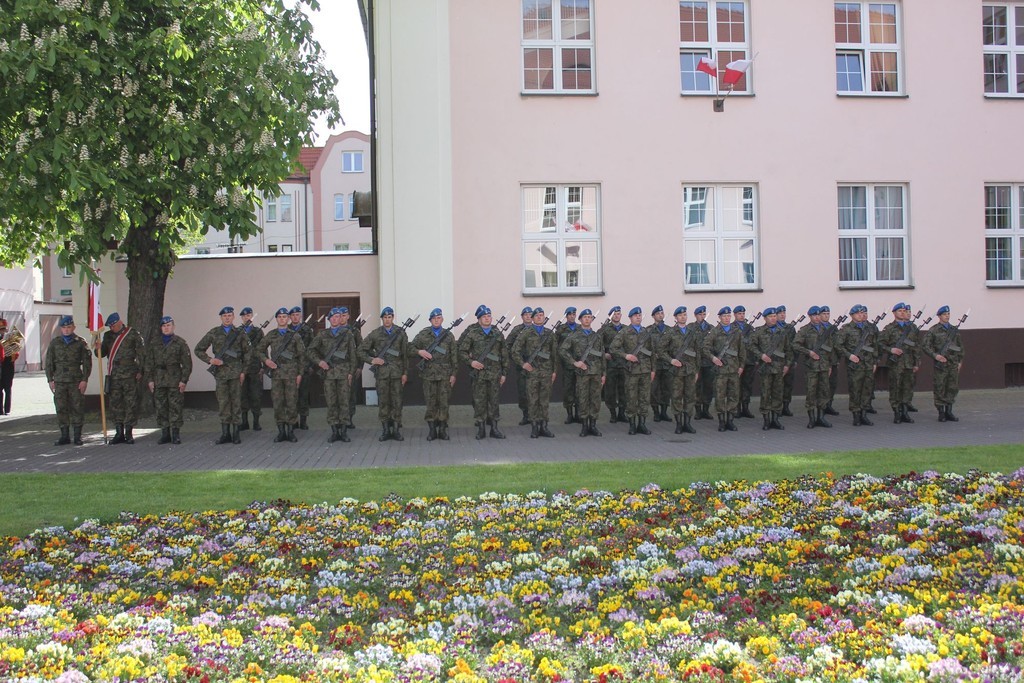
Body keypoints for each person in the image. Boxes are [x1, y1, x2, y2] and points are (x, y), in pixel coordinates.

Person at [194, 306, 252, 445]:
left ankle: (236, 433)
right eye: (224, 316)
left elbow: (248, 353)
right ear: (221, 317)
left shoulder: (240, 333)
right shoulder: (214, 332)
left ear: (233, 317)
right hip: (220, 374)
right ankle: (225, 434)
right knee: (223, 403)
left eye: (229, 315)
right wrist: (210, 360)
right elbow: (198, 349)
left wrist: (243, 371)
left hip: (236, 373)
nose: (227, 318)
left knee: (236, 402)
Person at [308, 306, 359, 443]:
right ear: (329, 319)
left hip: (343, 373)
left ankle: (343, 431)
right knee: (331, 402)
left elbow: (353, 355)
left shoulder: (347, 334)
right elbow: (310, 350)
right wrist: (319, 362)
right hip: (329, 374)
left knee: (344, 402)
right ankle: (334, 431)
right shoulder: (322, 334)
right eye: (333, 317)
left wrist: (351, 372)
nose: (336, 319)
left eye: (338, 317)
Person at [359, 306, 410, 441]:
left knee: (397, 401)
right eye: (385, 317)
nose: (387, 320)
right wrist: (372, 360)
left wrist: (405, 373)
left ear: (393, 318)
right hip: (382, 374)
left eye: (389, 317)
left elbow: (405, 355)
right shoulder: (375, 334)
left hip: (397, 374)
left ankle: (396, 430)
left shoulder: (400, 333)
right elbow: (360, 350)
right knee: (383, 402)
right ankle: (386, 430)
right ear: (382, 319)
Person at [257, 307, 306, 443]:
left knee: (291, 403)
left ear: (288, 319)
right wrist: (266, 360)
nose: (282, 319)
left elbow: (302, 356)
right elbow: (259, 350)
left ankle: (290, 431)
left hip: (291, 375)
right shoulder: (271, 334)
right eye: (280, 317)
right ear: (277, 319)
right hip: (277, 375)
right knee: (278, 403)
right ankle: (281, 432)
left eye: (284, 317)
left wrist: (300, 374)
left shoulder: (295, 335)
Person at [459, 305, 509, 439]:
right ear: (479, 319)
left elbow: (504, 355)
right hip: (479, 375)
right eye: (484, 317)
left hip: (495, 374)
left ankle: (494, 429)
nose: (487, 319)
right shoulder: (473, 334)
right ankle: (481, 429)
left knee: (494, 402)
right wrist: (471, 362)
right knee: (479, 401)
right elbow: (462, 351)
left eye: (489, 316)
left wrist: (504, 373)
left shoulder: (498, 334)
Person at [96, 312, 145, 444]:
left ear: (119, 322)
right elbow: (101, 353)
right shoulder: (108, 336)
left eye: (113, 325)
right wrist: (98, 347)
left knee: (131, 403)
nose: (111, 328)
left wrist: (141, 370)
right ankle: (119, 433)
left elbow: (142, 354)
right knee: (115, 403)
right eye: (110, 326)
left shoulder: (132, 334)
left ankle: (128, 433)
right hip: (114, 374)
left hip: (129, 374)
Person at [412, 308, 459, 440]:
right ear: (430, 320)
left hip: (445, 375)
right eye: (434, 318)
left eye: (438, 318)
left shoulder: (449, 336)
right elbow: (410, 348)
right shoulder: (423, 334)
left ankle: (442, 430)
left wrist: (454, 374)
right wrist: (419, 352)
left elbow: (454, 357)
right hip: (429, 374)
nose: (436, 320)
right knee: (430, 402)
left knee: (444, 403)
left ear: (442, 319)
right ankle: (432, 430)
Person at [145, 315, 192, 444]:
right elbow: (149, 363)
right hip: (159, 379)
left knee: (175, 406)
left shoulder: (180, 343)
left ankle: (175, 434)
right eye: (164, 326)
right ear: (161, 328)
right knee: (161, 407)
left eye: (168, 325)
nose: (166, 328)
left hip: (174, 379)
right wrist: (150, 380)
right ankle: (165, 433)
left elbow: (187, 364)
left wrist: (184, 380)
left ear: (173, 327)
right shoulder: (154, 343)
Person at [45, 316, 91, 446]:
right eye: (64, 327)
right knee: (61, 408)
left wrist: (84, 380)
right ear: (61, 329)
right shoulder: (55, 343)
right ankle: (64, 436)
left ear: (73, 327)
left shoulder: (81, 343)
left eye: (69, 327)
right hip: (59, 381)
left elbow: (87, 363)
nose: (66, 330)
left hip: (75, 381)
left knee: (77, 407)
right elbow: (49, 362)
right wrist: (50, 379)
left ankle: (77, 436)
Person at [513, 307, 558, 438]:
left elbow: (554, 354)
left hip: (546, 372)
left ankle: (544, 426)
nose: (539, 317)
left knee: (544, 400)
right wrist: (523, 364)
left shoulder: (549, 333)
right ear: (532, 318)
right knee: (532, 400)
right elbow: (514, 350)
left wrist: (554, 371)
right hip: (532, 373)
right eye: (537, 315)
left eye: (541, 315)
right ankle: (534, 427)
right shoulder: (526, 333)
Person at [560, 308, 605, 437]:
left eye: (589, 317)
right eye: (585, 317)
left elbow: (602, 355)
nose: (587, 319)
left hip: (596, 373)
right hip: (582, 373)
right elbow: (562, 350)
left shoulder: (597, 336)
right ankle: (585, 426)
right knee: (583, 399)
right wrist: (574, 362)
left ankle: (593, 425)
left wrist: (604, 374)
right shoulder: (574, 335)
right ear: (580, 319)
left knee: (595, 400)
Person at [610, 307, 654, 435]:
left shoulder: (646, 332)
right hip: (631, 371)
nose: (638, 317)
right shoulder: (624, 332)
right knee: (631, 398)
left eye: (640, 315)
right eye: (635, 316)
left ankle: (642, 424)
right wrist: (626, 356)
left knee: (644, 398)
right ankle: (632, 425)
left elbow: (653, 352)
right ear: (630, 318)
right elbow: (613, 348)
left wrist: (653, 369)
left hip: (645, 370)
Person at [703, 306, 746, 432]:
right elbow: (705, 347)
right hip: (720, 371)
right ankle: (722, 421)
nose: (727, 318)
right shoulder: (714, 331)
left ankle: (730, 421)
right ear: (720, 317)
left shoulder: (736, 332)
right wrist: (713, 358)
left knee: (734, 395)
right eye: (724, 316)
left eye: (728, 316)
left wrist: (741, 366)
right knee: (720, 396)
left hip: (734, 370)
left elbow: (742, 351)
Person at [659, 306, 699, 434]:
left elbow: (697, 352)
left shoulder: (692, 332)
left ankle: (687, 423)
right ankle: (679, 424)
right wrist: (671, 360)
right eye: (680, 315)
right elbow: (660, 350)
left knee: (690, 397)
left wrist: (697, 370)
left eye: (685, 315)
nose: (683, 317)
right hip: (676, 372)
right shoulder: (670, 333)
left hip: (690, 370)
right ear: (675, 318)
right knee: (676, 397)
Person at [749, 307, 791, 430]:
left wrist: (787, 365)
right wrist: (761, 355)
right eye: (770, 317)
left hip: (779, 368)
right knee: (766, 394)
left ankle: (775, 419)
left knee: (778, 393)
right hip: (765, 368)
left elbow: (788, 349)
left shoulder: (782, 332)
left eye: (774, 316)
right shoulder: (759, 331)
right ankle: (766, 420)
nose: (773, 318)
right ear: (765, 318)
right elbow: (751, 346)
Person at [922, 305, 965, 422]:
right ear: (939, 316)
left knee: (952, 388)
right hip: (940, 365)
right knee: (940, 387)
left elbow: (960, 347)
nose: (947, 316)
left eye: (948, 314)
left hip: (953, 364)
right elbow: (925, 345)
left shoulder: (954, 330)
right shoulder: (934, 330)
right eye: (945, 314)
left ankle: (949, 411)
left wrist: (960, 361)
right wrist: (935, 355)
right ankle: (941, 412)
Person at [879, 302, 921, 424]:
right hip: (895, 364)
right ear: (894, 313)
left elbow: (916, 346)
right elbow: (880, 343)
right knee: (895, 388)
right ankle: (897, 413)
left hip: (909, 363)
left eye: (904, 311)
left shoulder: (912, 328)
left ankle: (905, 412)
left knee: (907, 388)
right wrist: (890, 350)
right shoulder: (889, 328)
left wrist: (916, 362)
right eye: (900, 311)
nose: (902, 313)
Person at [792, 306, 833, 429]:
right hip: (811, 367)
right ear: (810, 316)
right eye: (814, 315)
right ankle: (812, 419)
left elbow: (831, 348)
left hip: (824, 365)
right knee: (811, 392)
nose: (817, 317)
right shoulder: (805, 330)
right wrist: (808, 352)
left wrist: (830, 364)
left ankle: (821, 417)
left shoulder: (827, 330)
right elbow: (795, 345)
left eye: (819, 315)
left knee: (824, 392)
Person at [838, 304, 878, 426]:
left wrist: (875, 362)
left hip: (868, 364)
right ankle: (856, 415)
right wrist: (849, 355)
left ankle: (864, 414)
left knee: (867, 390)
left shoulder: (870, 328)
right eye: (858, 313)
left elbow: (875, 346)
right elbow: (838, 345)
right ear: (852, 315)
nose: (861, 315)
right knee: (855, 390)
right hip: (855, 365)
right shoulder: (846, 329)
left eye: (862, 313)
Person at [289, 305, 315, 430]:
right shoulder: (286, 330)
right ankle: (293, 421)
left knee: (303, 395)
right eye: (293, 315)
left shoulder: (307, 330)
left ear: (300, 316)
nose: (295, 317)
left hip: (304, 367)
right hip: (290, 368)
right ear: (290, 317)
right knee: (291, 396)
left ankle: (303, 421)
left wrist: (310, 365)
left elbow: (312, 349)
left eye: (297, 315)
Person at [506, 307, 534, 426]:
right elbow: (508, 345)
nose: (528, 316)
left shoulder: (538, 330)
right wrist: (516, 359)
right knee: (523, 391)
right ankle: (526, 415)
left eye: (530, 314)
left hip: (536, 367)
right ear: (522, 317)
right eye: (525, 314)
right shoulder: (517, 330)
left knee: (535, 392)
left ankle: (535, 416)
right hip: (521, 366)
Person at [238, 306, 265, 432]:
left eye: (248, 315)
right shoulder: (237, 331)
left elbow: (263, 349)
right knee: (242, 395)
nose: (246, 318)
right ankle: (244, 422)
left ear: (252, 316)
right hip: (241, 367)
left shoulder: (258, 331)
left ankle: (256, 422)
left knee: (255, 395)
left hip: (255, 367)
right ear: (241, 318)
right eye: (244, 316)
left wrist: (263, 366)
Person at [687, 305, 714, 420]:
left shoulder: (711, 328)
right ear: (695, 315)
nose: (702, 316)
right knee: (696, 386)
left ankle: (706, 409)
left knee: (708, 386)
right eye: (700, 314)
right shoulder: (690, 327)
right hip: (695, 362)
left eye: (704, 314)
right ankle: (697, 410)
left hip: (708, 362)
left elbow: (715, 343)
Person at [600, 306, 626, 423]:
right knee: (610, 391)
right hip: (610, 364)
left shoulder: (626, 329)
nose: (616, 316)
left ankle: (622, 413)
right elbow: (597, 344)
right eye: (614, 314)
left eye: (618, 314)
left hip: (624, 364)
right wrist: (604, 354)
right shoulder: (604, 329)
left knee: (624, 390)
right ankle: (613, 414)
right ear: (610, 316)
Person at [647, 304, 672, 422]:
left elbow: (674, 346)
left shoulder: (670, 330)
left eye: (662, 313)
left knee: (666, 389)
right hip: (654, 365)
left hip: (667, 364)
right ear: (653, 316)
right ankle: (656, 412)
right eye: (658, 314)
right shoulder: (648, 330)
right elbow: (645, 347)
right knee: (654, 389)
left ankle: (664, 412)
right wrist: (652, 355)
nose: (660, 315)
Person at [556, 306, 580, 424]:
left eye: (573, 314)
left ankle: (578, 414)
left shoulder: (580, 328)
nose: (572, 316)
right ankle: (569, 414)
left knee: (579, 389)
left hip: (580, 364)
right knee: (568, 390)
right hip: (567, 365)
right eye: (570, 314)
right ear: (566, 316)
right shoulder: (561, 329)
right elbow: (556, 345)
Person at [734, 305, 758, 419]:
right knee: (736, 385)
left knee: (747, 385)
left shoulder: (749, 327)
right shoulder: (731, 327)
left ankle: (745, 407)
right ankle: (737, 408)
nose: (742, 316)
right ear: (735, 315)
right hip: (736, 362)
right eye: (739, 314)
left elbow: (754, 343)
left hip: (749, 360)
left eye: (743, 314)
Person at [819, 305, 841, 416]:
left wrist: (837, 359)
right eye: (824, 314)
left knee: (832, 384)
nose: (826, 316)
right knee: (822, 385)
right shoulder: (818, 328)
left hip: (833, 360)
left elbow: (837, 345)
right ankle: (821, 406)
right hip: (822, 361)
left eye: (828, 314)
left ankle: (829, 405)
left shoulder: (833, 328)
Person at [776, 305, 797, 416]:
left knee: (788, 384)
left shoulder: (790, 328)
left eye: (784, 313)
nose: (782, 315)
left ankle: (786, 406)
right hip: (777, 361)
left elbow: (795, 345)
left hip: (789, 360)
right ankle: (777, 407)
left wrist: (794, 360)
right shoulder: (773, 328)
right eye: (780, 313)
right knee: (777, 385)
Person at [0, 318, 16, 415]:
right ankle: (0, 410)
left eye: (4, 329)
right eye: (1, 330)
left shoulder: (10, 340)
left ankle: (7, 410)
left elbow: (16, 354)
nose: (2, 332)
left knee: (8, 389)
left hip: (8, 366)